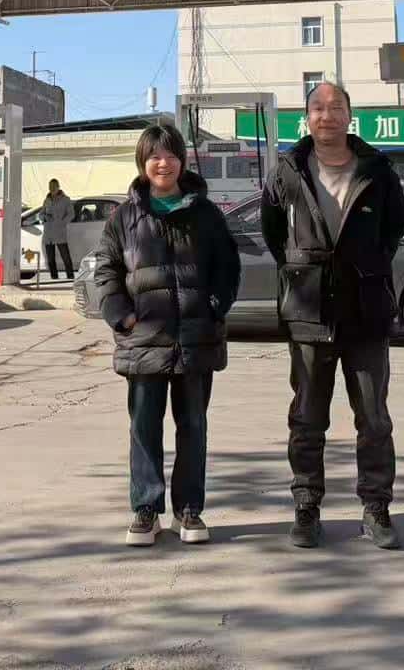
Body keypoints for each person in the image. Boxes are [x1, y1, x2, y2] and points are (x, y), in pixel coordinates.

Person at [262, 80, 404, 550]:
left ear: (349, 115)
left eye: (336, 107)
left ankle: (376, 507)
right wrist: (302, 270)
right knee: (307, 418)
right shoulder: (287, 170)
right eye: (318, 108)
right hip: (309, 311)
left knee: (374, 418)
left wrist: (364, 267)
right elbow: (272, 230)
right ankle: (306, 507)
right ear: (306, 118)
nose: (327, 115)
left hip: (365, 311)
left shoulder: (377, 170)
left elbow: (394, 228)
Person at [91, 123, 241, 548]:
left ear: (182, 161)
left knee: (192, 425)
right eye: (155, 156)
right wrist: (122, 317)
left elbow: (228, 267)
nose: (163, 163)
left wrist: (214, 306)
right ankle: (146, 509)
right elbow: (106, 271)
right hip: (143, 341)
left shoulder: (206, 214)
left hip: (196, 338)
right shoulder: (123, 218)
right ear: (143, 162)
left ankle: (189, 509)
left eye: (171, 155)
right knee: (144, 427)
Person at [40, 179, 76, 281]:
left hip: (59, 231)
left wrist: (62, 222)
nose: (51, 188)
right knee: (50, 258)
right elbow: (41, 214)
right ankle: (54, 277)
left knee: (65, 256)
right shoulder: (47, 200)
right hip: (48, 232)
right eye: (50, 186)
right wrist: (44, 217)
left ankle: (70, 276)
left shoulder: (65, 200)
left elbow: (71, 214)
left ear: (58, 186)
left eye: (53, 186)